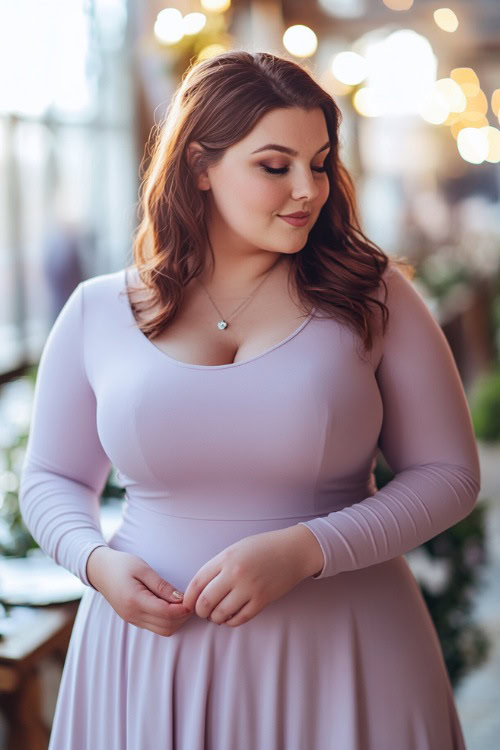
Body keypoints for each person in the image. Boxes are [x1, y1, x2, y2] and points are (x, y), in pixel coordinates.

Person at [19, 50, 480, 749]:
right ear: (200, 168)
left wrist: (309, 549)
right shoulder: (95, 311)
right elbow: (51, 478)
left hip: (347, 649)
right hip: (146, 657)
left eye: (320, 163)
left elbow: (450, 474)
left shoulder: (375, 295)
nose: (309, 190)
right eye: (275, 166)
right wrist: (97, 562)